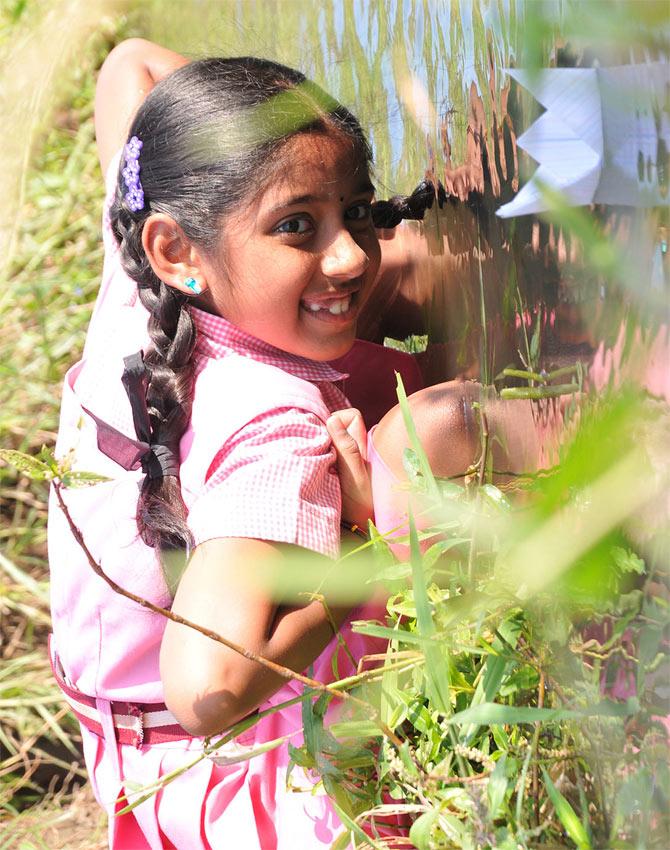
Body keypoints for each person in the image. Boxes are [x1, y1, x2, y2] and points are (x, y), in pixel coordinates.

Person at [47, 38, 430, 850]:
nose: (350, 249)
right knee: (435, 431)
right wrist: (369, 556)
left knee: (402, 270)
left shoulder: (142, 274)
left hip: (121, 735)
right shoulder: (273, 427)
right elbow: (212, 690)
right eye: (298, 224)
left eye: (356, 209)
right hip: (218, 771)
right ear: (176, 252)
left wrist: (263, 166)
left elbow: (129, 67)